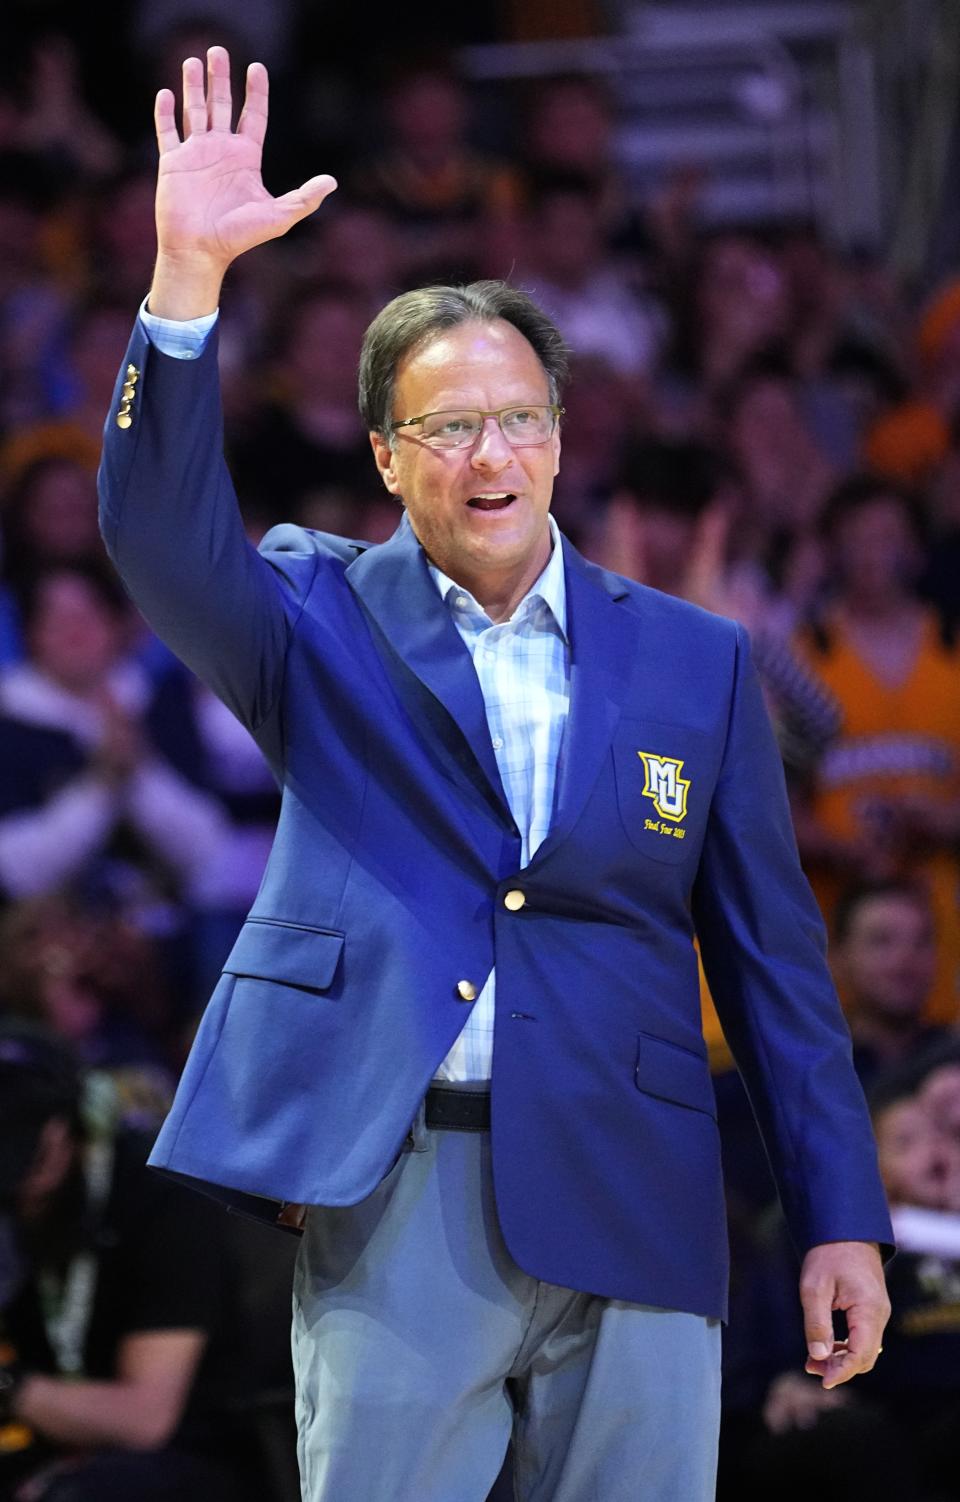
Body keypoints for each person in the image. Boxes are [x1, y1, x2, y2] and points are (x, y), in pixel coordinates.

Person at [96, 47, 893, 1502]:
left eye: (519, 416)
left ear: (564, 437)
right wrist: (185, 288)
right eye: (449, 425)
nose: (492, 452)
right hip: (400, 1178)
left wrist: (841, 1214)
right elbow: (158, 537)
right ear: (390, 459)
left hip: (641, 1177)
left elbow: (778, 968)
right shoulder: (313, 611)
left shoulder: (696, 661)